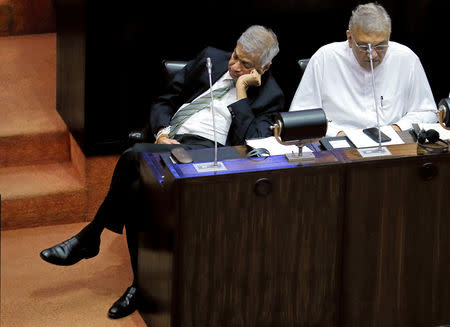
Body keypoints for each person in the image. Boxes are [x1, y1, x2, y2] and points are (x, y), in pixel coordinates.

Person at [39, 25, 284, 319]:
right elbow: (165, 100)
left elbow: (249, 145)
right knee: (134, 191)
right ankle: (138, 285)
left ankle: (91, 236)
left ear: (264, 67)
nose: (234, 66)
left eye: (245, 65)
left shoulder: (271, 96)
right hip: (169, 140)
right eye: (235, 56)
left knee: (132, 156)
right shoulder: (210, 58)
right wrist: (162, 132)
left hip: (206, 156)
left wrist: (242, 93)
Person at [289, 2, 437, 137]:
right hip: (338, 146)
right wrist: (340, 133)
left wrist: (396, 129)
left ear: (389, 37)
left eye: (380, 46)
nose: (372, 54)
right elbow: (301, 116)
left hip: (395, 142)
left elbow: (428, 113)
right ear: (350, 38)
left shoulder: (406, 58)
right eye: (364, 46)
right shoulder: (324, 58)